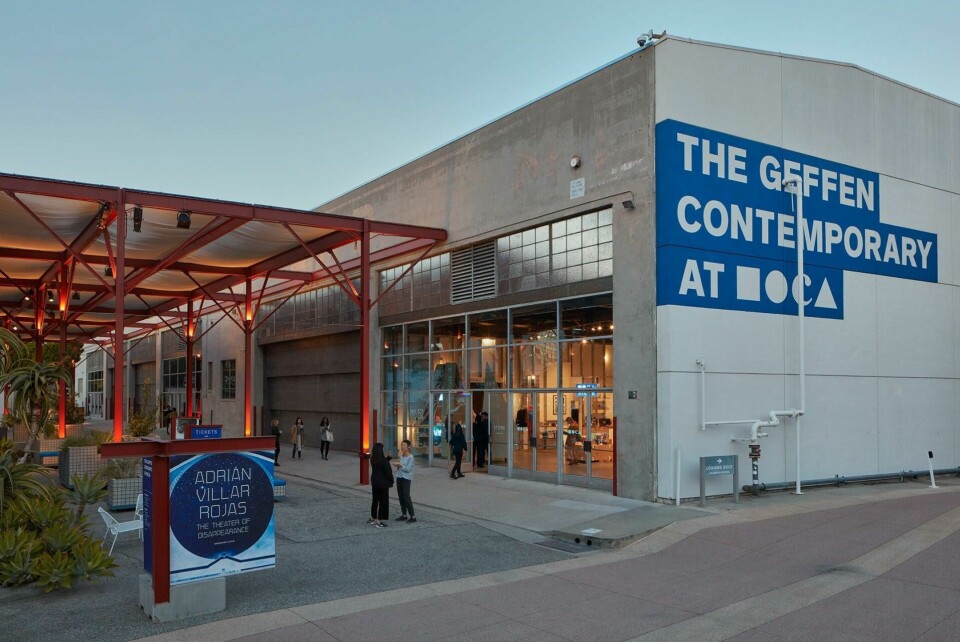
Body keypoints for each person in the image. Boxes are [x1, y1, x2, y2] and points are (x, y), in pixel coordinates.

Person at [369, 443, 394, 527]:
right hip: (383, 484)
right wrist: (392, 481)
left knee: (375, 501)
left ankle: (374, 518)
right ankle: (379, 521)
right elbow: (388, 473)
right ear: (380, 450)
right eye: (383, 449)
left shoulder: (373, 459)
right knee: (383, 502)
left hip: (375, 483)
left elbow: (380, 464)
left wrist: (388, 458)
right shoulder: (383, 461)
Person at [392, 439, 416, 523]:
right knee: (401, 497)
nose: (402, 447)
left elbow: (408, 469)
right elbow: (401, 468)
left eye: (404, 445)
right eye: (402, 445)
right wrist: (398, 466)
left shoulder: (411, 457)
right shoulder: (402, 456)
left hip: (406, 478)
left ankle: (413, 516)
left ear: (408, 447)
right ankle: (404, 514)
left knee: (406, 497)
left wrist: (400, 465)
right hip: (399, 477)